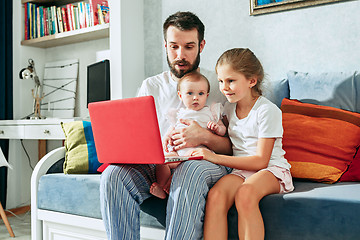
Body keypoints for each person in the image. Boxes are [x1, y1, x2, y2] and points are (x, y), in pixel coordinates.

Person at [100, 11, 232, 240]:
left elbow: (234, 149)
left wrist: (203, 136)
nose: (180, 55)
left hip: (204, 161)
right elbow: (135, 138)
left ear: (201, 45)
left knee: (189, 171)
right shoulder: (151, 86)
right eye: (174, 47)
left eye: (189, 47)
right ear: (165, 46)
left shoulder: (219, 84)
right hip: (159, 164)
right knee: (113, 175)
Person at [190, 48, 294, 240]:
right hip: (242, 170)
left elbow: (261, 161)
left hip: (271, 169)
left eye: (231, 81)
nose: (224, 87)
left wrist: (215, 157)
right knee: (216, 196)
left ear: (252, 81)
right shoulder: (229, 108)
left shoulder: (266, 111)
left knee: (245, 193)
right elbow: (231, 137)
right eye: (221, 81)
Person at [150, 71, 226, 199]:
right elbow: (172, 129)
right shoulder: (179, 114)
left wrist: (218, 128)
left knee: (189, 166)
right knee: (162, 161)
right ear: (180, 95)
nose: (195, 97)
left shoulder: (211, 112)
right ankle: (163, 188)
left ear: (207, 95)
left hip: (198, 154)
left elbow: (223, 131)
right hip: (178, 155)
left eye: (200, 94)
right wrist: (167, 137)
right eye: (190, 93)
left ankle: (171, 184)